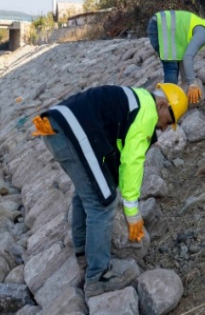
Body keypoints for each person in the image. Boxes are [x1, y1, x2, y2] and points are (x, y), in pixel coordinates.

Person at [31, 83, 188, 297]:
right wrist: (132, 212)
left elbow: (119, 152)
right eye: (168, 121)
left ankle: (84, 256)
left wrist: (113, 182)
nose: (164, 128)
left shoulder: (136, 101)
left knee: (88, 192)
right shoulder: (147, 113)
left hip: (57, 127)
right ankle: (98, 276)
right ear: (162, 104)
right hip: (73, 132)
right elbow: (133, 160)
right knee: (102, 202)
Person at [147, 10, 205, 104]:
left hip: (161, 24)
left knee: (174, 68)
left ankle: (165, 104)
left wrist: (186, 81)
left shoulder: (203, 28)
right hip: (159, 25)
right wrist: (192, 84)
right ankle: (163, 107)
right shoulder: (203, 33)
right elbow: (188, 57)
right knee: (172, 69)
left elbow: (183, 56)